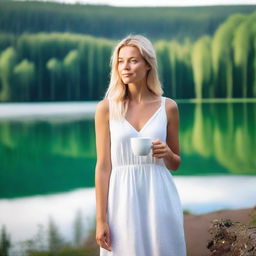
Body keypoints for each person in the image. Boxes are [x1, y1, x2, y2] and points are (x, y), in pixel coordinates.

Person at [94, 34, 186, 256]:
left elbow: (175, 164)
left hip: (159, 195)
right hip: (121, 198)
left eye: (133, 60)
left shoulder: (168, 107)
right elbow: (103, 167)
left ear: (147, 65)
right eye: (120, 61)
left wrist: (167, 154)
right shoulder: (106, 108)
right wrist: (100, 219)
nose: (125, 67)